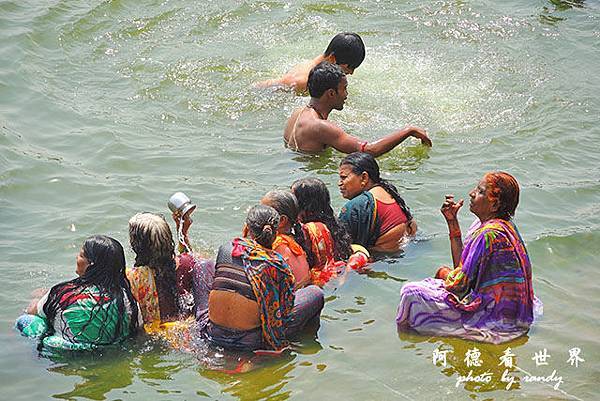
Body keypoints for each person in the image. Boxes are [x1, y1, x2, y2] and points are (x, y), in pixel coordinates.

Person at [396, 172, 541, 344]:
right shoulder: (501, 224)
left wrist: (443, 273)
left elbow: (459, 286)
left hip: (497, 316)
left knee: (410, 293)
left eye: (480, 191)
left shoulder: (489, 233)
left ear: (494, 205)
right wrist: (452, 222)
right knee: (437, 280)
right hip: (514, 310)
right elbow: (463, 268)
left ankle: (408, 340)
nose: (472, 193)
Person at [196, 205, 324, 351]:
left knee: (203, 266)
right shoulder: (278, 264)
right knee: (315, 293)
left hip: (212, 333)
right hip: (252, 342)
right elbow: (283, 309)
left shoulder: (226, 248)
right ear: (276, 234)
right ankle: (303, 340)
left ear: (246, 228)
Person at [17, 235, 140, 351]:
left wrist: (38, 300)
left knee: (26, 319)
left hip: (63, 354)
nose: (77, 257)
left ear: (91, 265)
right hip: (107, 353)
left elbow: (32, 310)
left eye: (81, 255)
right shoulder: (126, 299)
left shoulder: (63, 293)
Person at [283, 61, 432, 156]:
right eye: (344, 89)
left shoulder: (298, 113)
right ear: (331, 93)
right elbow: (369, 151)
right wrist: (408, 130)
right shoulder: (320, 127)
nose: (346, 94)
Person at [127, 213, 199, 333]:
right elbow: (187, 259)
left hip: (158, 335)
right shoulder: (189, 262)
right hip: (189, 328)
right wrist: (182, 234)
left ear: (137, 245)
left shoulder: (133, 277)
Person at [338, 152, 416, 253]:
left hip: (380, 261)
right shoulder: (389, 192)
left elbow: (340, 247)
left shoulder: (357, 205)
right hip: (406, 252)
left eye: (343, 177)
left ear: (364, 178)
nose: (339, 183)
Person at [291, 178, 353, 284]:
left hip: (321, 282)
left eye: (293, 199)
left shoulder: (309, 229)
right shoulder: (333, 223)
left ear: (304, 203)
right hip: (338, 274)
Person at [258, 32, 366, 93]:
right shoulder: (304, 81)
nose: (351, 73)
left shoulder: (316, 70)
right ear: (332, 58)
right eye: (349, 67)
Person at [261, 190, 311, 289]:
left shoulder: (276, 245)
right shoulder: (294, 239)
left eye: (264, 212)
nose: (259, 214)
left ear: (282, 221)